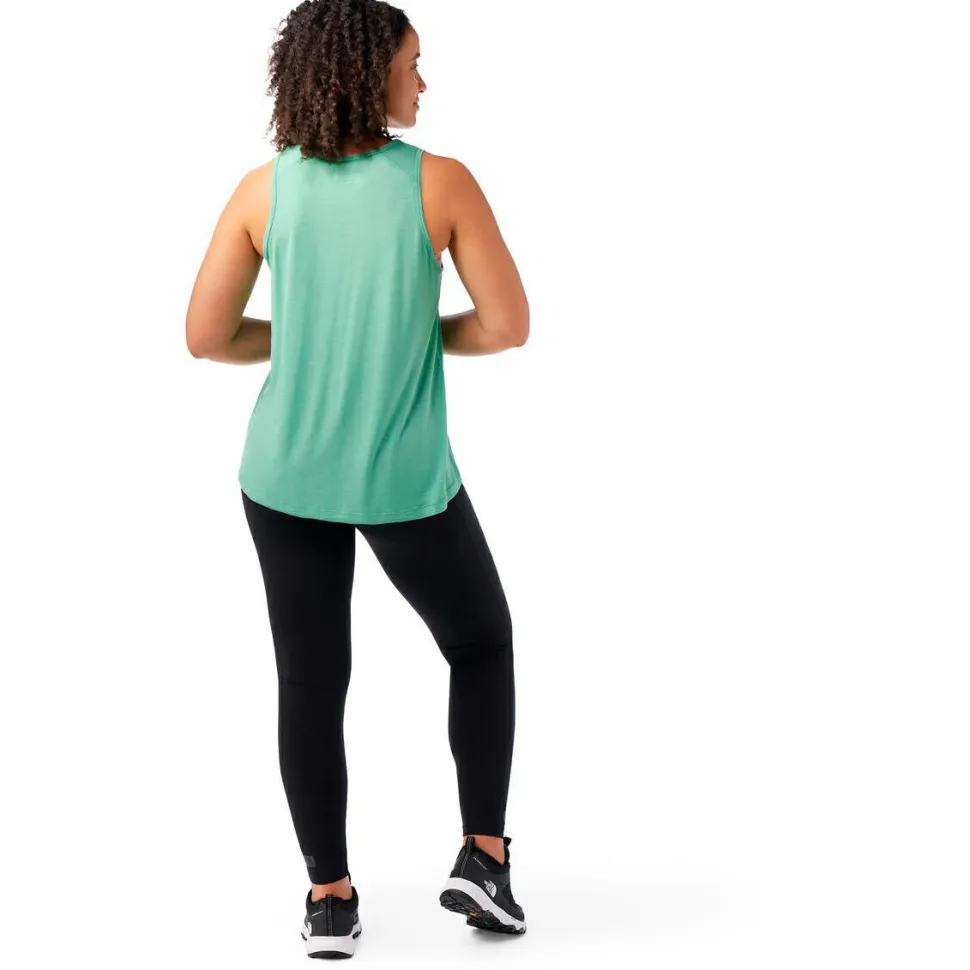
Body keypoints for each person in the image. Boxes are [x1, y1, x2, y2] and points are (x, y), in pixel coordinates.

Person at [184, 0, 529, 957]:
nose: (423, 82)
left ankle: (329, 899)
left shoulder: (263, 191)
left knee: (310, 678)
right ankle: (484, 860)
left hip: (283, 474)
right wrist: (409, 334)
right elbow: (506, 326)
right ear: (371, 73)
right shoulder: (441, 183)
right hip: (399, 476)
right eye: (414, 65)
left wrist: (305, 339)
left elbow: (207, 337)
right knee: (481, 644)